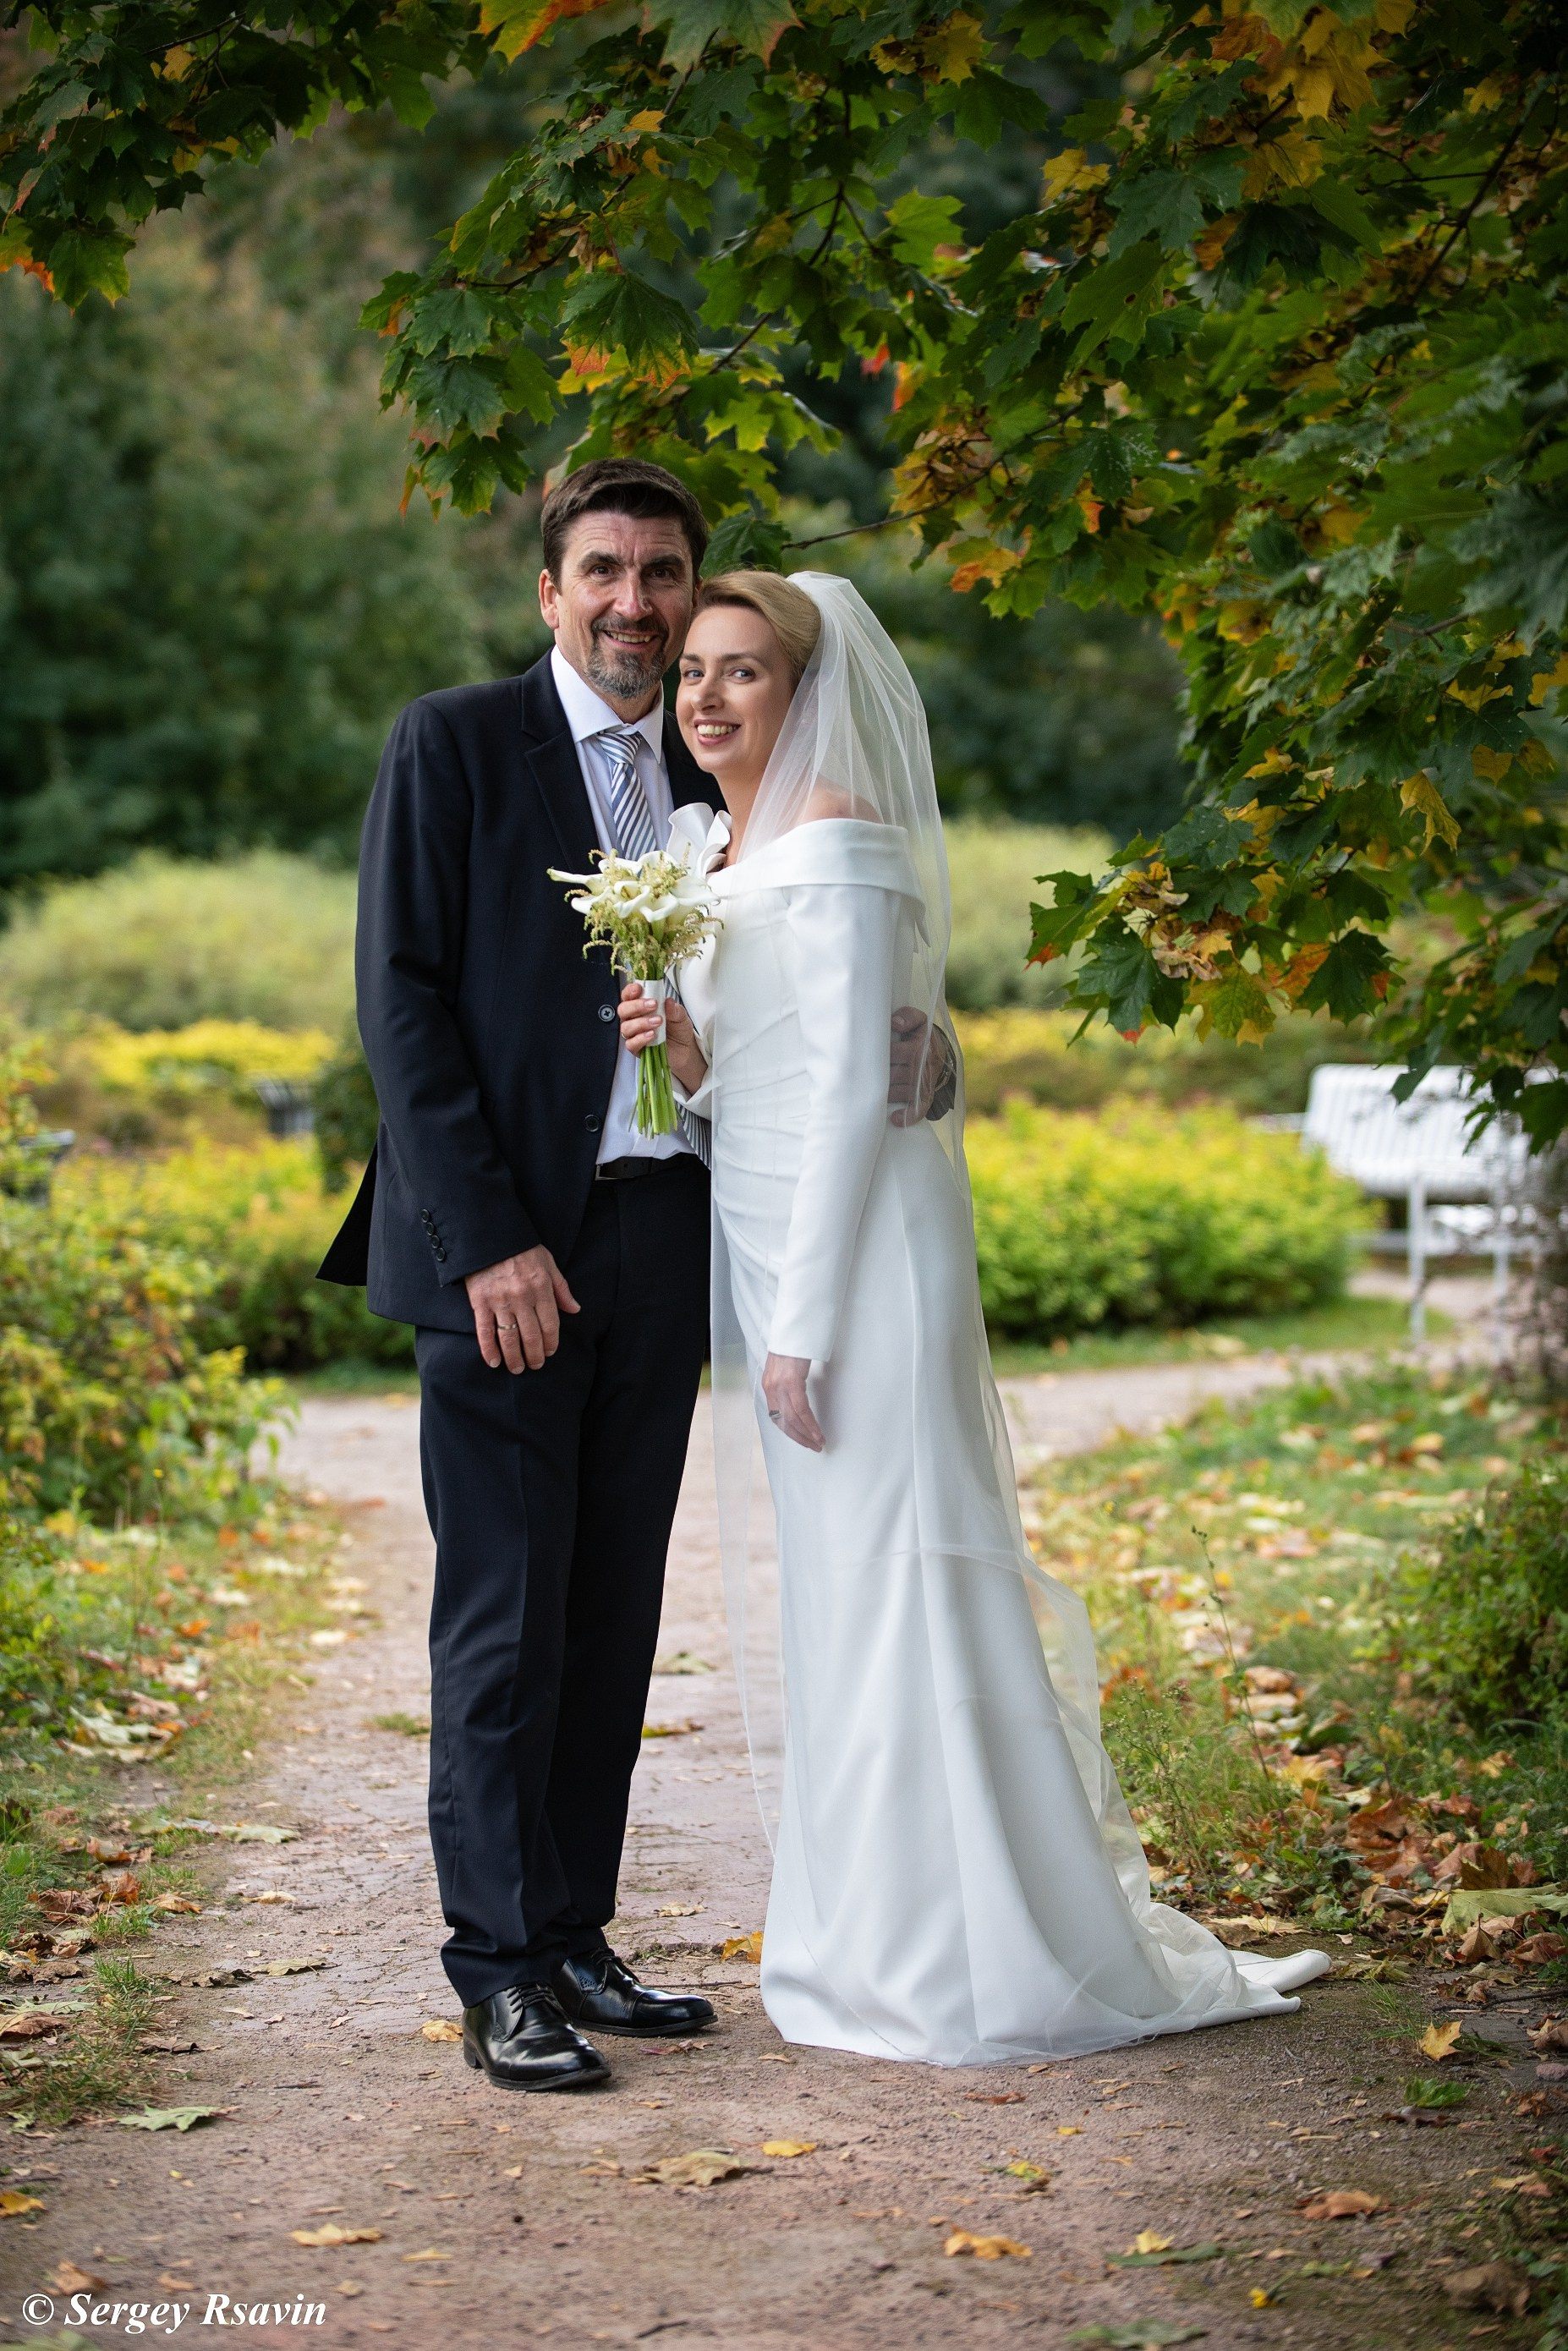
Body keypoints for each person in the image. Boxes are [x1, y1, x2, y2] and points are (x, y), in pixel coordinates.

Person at [618, 570, 1331, 2065]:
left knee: (907, 1573)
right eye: (691, 672)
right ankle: (878, 1929)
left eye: (742, 671)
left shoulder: (839, 840)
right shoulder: (705, 851)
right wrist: (680, 1050)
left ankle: (974, 1950)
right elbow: (750, 1079)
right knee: (839, 1587)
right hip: (764, 1233)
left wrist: (804, 1324)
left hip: (857, 1262)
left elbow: (855, 1091)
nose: (706, 697)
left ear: (802, 689)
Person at [318, 462, 947, 2093]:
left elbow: (813, 985)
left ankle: (575, 1932)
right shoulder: (454, 744)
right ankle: (496, 1970)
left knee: (611, 1612)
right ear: (550, 592)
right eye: (602, 570)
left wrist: (914, 1043)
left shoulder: (719, 764)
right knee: (506, 1621)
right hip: (507, 1250)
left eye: (662, 573)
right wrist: (486, 1242)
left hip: (668, 1232)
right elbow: (400, 1007)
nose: (634, 601)